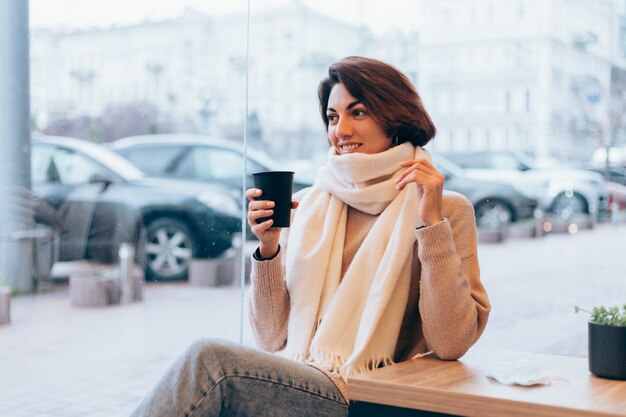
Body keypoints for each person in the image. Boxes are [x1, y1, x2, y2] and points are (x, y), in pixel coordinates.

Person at [131, 56, 490, 417]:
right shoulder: (308, 205)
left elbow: (450, 342)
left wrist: (430, 224)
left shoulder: (444, 209)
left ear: (394, 118)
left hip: (367, 394)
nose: (341, 130)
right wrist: (268, 247)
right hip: (304, 378)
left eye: (358, 113)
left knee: (209, 361)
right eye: (333, 117)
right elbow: (270, 339)